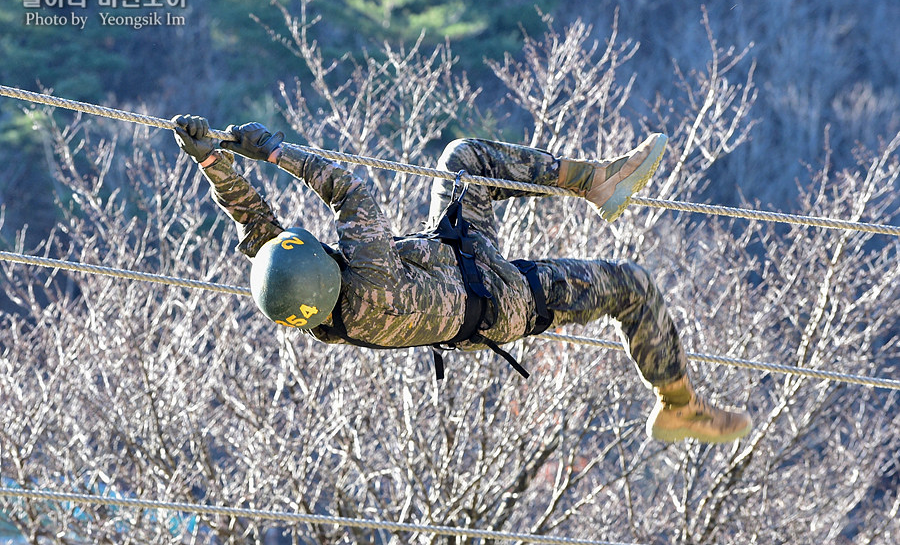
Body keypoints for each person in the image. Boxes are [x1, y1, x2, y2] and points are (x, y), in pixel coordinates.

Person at [172, 115, 752, 443]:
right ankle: (679, 403)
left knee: (463, 158)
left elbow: (257, 228)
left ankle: (595, 180)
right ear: (325, 268)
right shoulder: (369, 284)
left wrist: (211, 161)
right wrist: (274, 153)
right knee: (632, 285)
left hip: (457, 258)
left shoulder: (304, 300)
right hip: (504, 299)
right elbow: (349, 191)